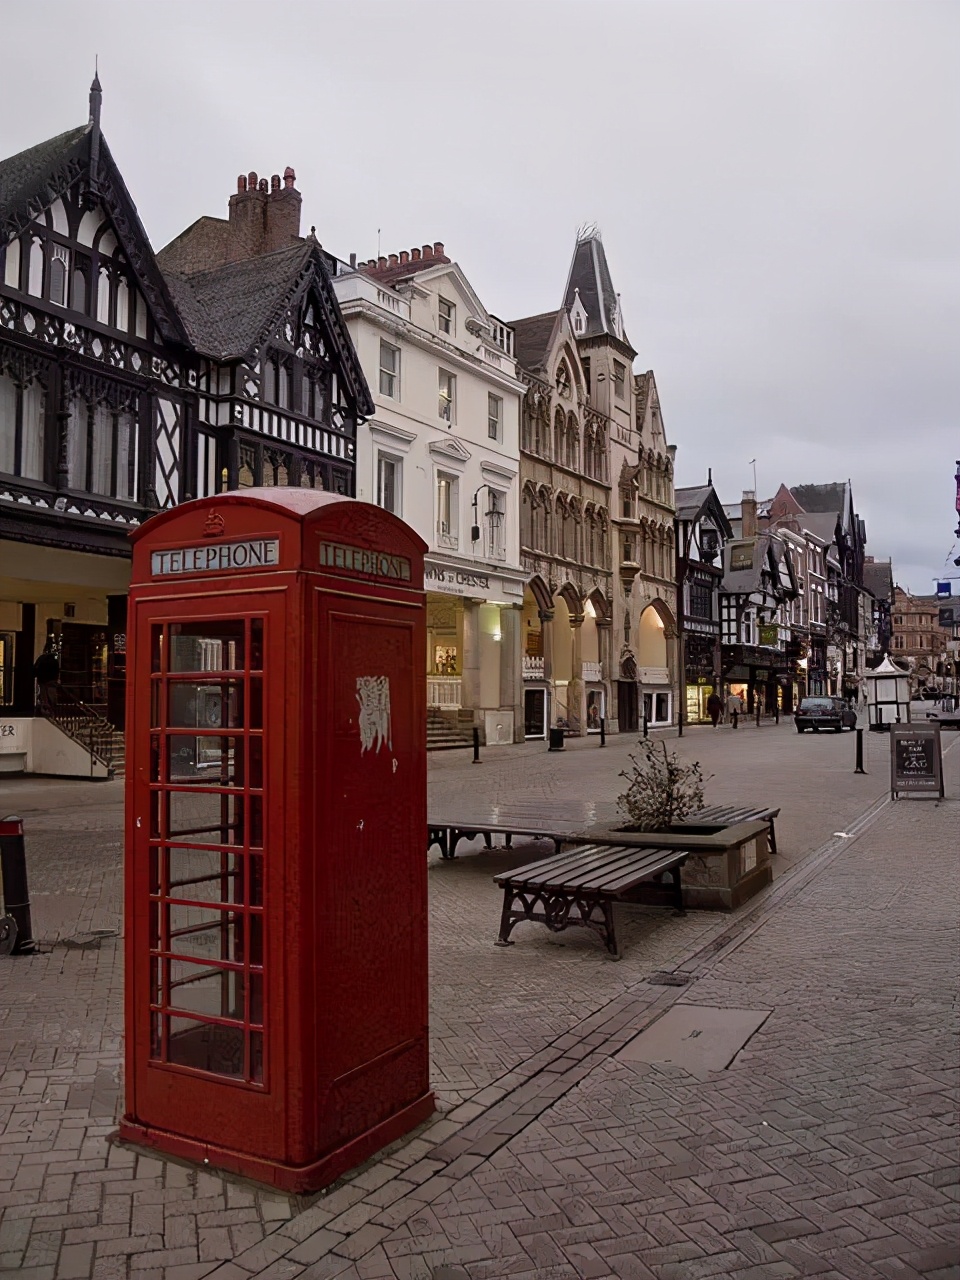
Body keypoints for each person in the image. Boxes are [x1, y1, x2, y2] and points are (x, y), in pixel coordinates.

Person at [33, 644, 60, 712]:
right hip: (52, 679)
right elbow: (57, 670)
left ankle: (45, 704)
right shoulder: (54, 660)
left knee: (43, 692)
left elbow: (36, 668)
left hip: (42, 679)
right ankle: (52, 705)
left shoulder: (41, 659)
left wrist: (36, 675)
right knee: (51, 692)